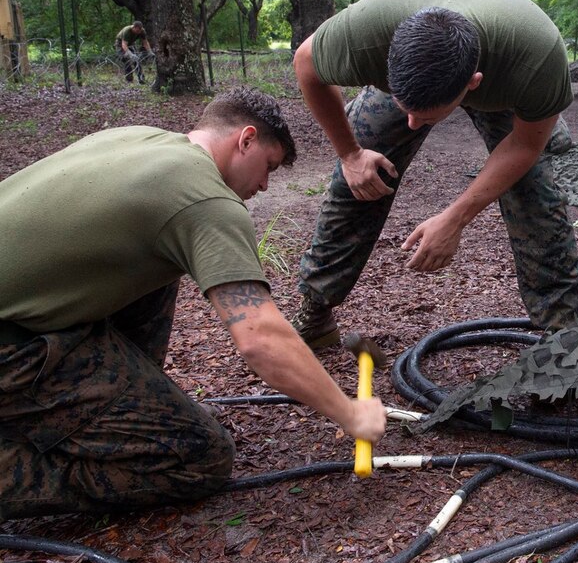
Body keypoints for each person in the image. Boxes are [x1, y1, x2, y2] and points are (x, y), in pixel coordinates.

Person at [0, 87, 387, 520]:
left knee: (158, 264)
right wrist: (350, 413)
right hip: (14, 349)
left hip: (27, 310)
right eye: (268, 167)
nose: (263, 185)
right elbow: (261, 341)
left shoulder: (139, 139)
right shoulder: (204, 199)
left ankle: (114, 414)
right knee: (201, 458)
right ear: (245, 139)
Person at [291, 0, 578, 349]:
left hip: (507, 79)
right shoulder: (368, 33)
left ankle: (564, 339)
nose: (412, 124)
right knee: (359, 176)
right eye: (406, 110)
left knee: (536, 192)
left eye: (425, 119)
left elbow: (525, 146)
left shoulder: (536, 57)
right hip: (417, 62)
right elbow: (305, 62)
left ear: (472, 86)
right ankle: (314, 312)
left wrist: (456, 217)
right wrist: (350, 154)